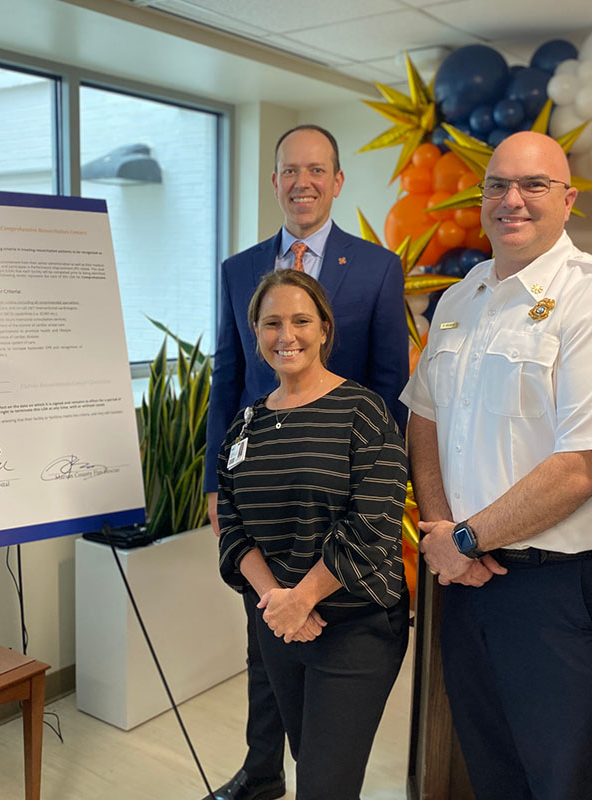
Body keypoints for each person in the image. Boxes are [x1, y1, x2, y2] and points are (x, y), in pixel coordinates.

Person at [403, 131, 592, 799]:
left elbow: (586, 466)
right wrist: (441, 529)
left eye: (534, 185)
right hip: (466, 581)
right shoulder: (460, 300)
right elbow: (425, 417)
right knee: (490, 768)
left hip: (559, 590)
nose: (512, 200)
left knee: (562, 780)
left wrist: (463, 538)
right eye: (497, 185)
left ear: (568, 199)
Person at [203, 124, 407, 800]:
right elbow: (227, 382)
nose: (303, 182)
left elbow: (387, 386)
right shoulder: (239, 270)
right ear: (274, 181)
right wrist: (214, 489)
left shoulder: (376, 268)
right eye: (290, 170)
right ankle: (262, 775)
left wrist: (375, 491)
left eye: (317, 170)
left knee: (327, 746)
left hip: (340, 500)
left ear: (338, 181)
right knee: (267, 654)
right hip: (262, 506)